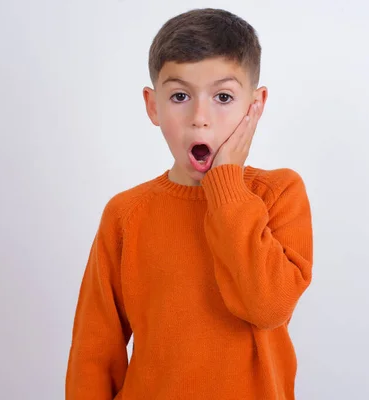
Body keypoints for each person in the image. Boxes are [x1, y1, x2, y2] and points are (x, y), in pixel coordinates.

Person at [66, 8, 313, 400]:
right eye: (180, 96)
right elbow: (93, 356)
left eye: (223, 97)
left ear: (256, 105)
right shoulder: (126, 215)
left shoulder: (278, 194)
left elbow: (267, 305)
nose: (200, 118)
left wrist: (226, 183)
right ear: (153, 106)